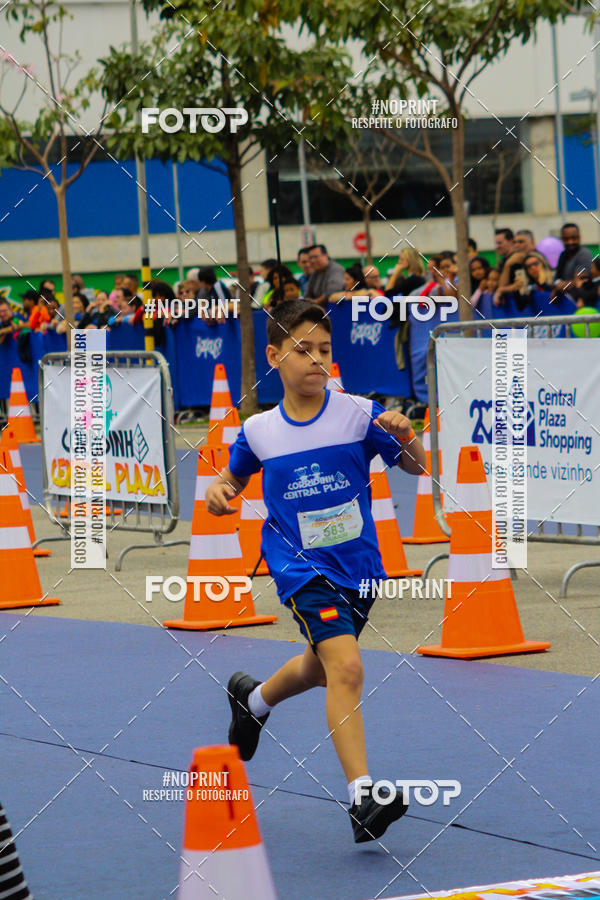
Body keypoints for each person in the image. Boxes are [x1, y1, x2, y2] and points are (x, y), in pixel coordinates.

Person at [206, 299, 426, 843]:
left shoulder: (358, 413)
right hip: (299, 568)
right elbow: (230, 483)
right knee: (347, 667)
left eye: (325, 350)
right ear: (275, 356)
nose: (316, 360)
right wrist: (218, 493)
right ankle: (363, 798)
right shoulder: (258, 431)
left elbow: (418, 467)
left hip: (359, 569)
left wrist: (407, 432)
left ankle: (252, 701)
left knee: (322, 667)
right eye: (303, 350)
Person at [551, 223, 594, 302]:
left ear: (579, 238)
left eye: (573, 238)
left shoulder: (584, 254)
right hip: (567, 304)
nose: (570, 242)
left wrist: (561, 286)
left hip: (582, 304)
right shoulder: (563, 255)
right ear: (562, 239)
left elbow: (581, 280)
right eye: (566, 239)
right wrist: (557, 284)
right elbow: (556, 278)